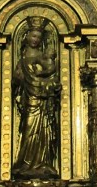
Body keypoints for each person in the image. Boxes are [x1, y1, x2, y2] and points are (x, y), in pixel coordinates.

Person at [12, 18, 61, 177]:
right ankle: (25, 164)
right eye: (33, 36)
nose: (35, 39)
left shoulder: (43, 56)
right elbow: (17, 82)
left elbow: (52, 76)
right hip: (30, 100)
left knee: (45, 132)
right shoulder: (22, 59)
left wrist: (48, 84)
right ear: (26, 36)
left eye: (38, 37)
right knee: (29, 129)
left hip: (43, 101)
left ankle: (43, 163)